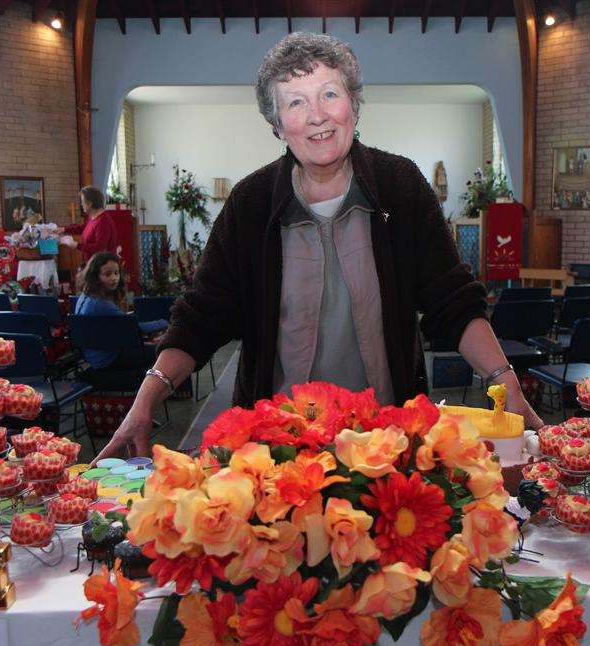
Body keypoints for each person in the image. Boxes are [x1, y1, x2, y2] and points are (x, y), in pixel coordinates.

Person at [95, 32, 542, 461]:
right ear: (277, 126)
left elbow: (453, 301)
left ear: (354, 105)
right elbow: (201, 316)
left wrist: (508, 386)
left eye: (329, 94)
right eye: (295, 102)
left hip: (387, 442)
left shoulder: (400, 187)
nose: (317, 115)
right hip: (275, 446)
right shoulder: (251, 204)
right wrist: (145, 400)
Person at [74, 252, 166, 372]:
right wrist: (163, 321)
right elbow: (136, 328)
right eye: (107, 274)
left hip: (95, 358)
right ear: (95, 276)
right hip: (110, 360)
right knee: (167, 350)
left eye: (116, 273)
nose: (114, 278)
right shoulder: (101, 304)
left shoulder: (85, 297)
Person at [65, 186, 119, 257]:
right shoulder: (94, 216)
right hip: (93, 262)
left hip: (102, 265)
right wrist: (64, 229)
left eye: (82, 201)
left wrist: (76, 245)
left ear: (90, 204)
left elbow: (99, 248)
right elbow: (85, 227)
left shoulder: (103, 222)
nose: (81, 204)